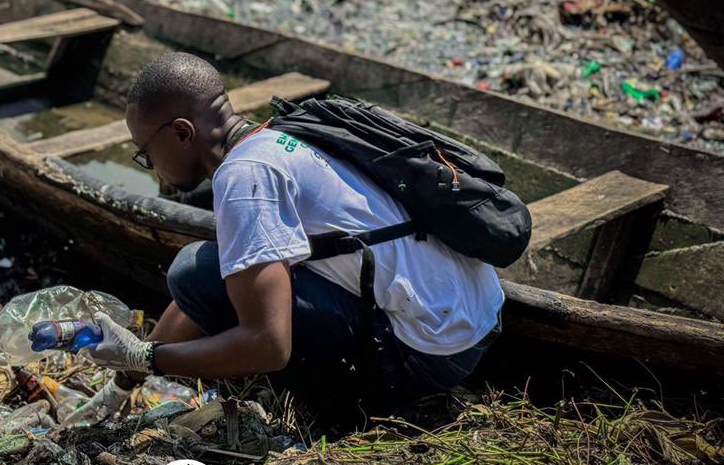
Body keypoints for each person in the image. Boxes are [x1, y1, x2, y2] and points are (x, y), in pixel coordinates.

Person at [63, 52, 503, 427]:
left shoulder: (243, 177)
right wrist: (128, 375)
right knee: (213, 270)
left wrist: (151, 359)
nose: (151, 167)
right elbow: (232, 272)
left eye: (145, 154)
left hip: (427, 356)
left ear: (182, 133)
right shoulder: (283, 135)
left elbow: (269, 346)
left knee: (191, 270)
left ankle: (342, 414)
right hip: (475, 325)